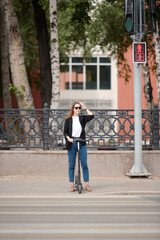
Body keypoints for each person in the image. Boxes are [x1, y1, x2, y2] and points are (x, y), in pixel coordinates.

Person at [64, 102, 94, 192]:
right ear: (73, 109)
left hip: (81, 142)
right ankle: (72, 185)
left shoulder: (82, 118)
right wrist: (69, 138)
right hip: (72, 142)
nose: (78, 109)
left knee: (84, 164)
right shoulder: (68, 120)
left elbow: (92, 116)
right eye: (76, 108)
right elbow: (65, 132)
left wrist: (84, 107)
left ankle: (87, 184)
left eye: (79, 108)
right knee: (72, 165)